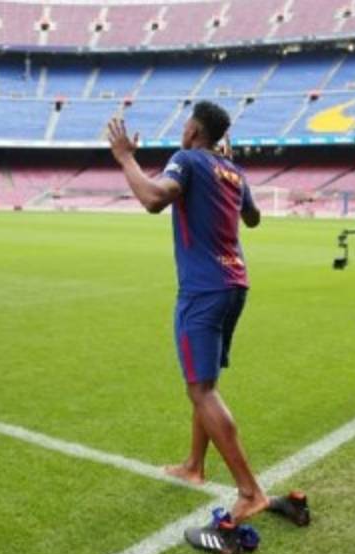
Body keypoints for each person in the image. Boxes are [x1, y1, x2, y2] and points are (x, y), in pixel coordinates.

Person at [106, 101, 273, 524]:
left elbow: (153, 199)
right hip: (235, 284)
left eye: (186, 125)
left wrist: (125, 158)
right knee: (205, 381)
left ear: (194, 130)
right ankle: (194, 466)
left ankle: (251, 492)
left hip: (203, 289)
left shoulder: (187, 158)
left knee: (201, 391)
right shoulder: (232, 170)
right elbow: (253, 218)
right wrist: (226, 172)